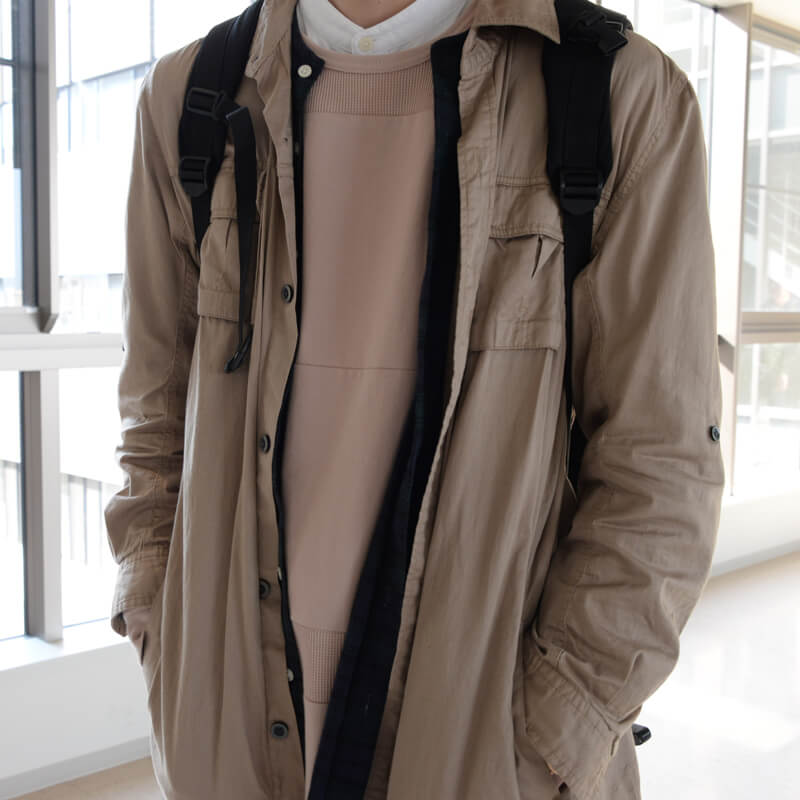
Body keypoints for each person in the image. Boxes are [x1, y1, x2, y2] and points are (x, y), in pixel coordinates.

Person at [105, 0, 726, 798]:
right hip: (224, 737)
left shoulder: (618, 94)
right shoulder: (189, 97)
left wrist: (554, 728)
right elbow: (155, 419)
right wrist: (160, 631)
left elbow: (662, 465)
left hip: (486, 750)